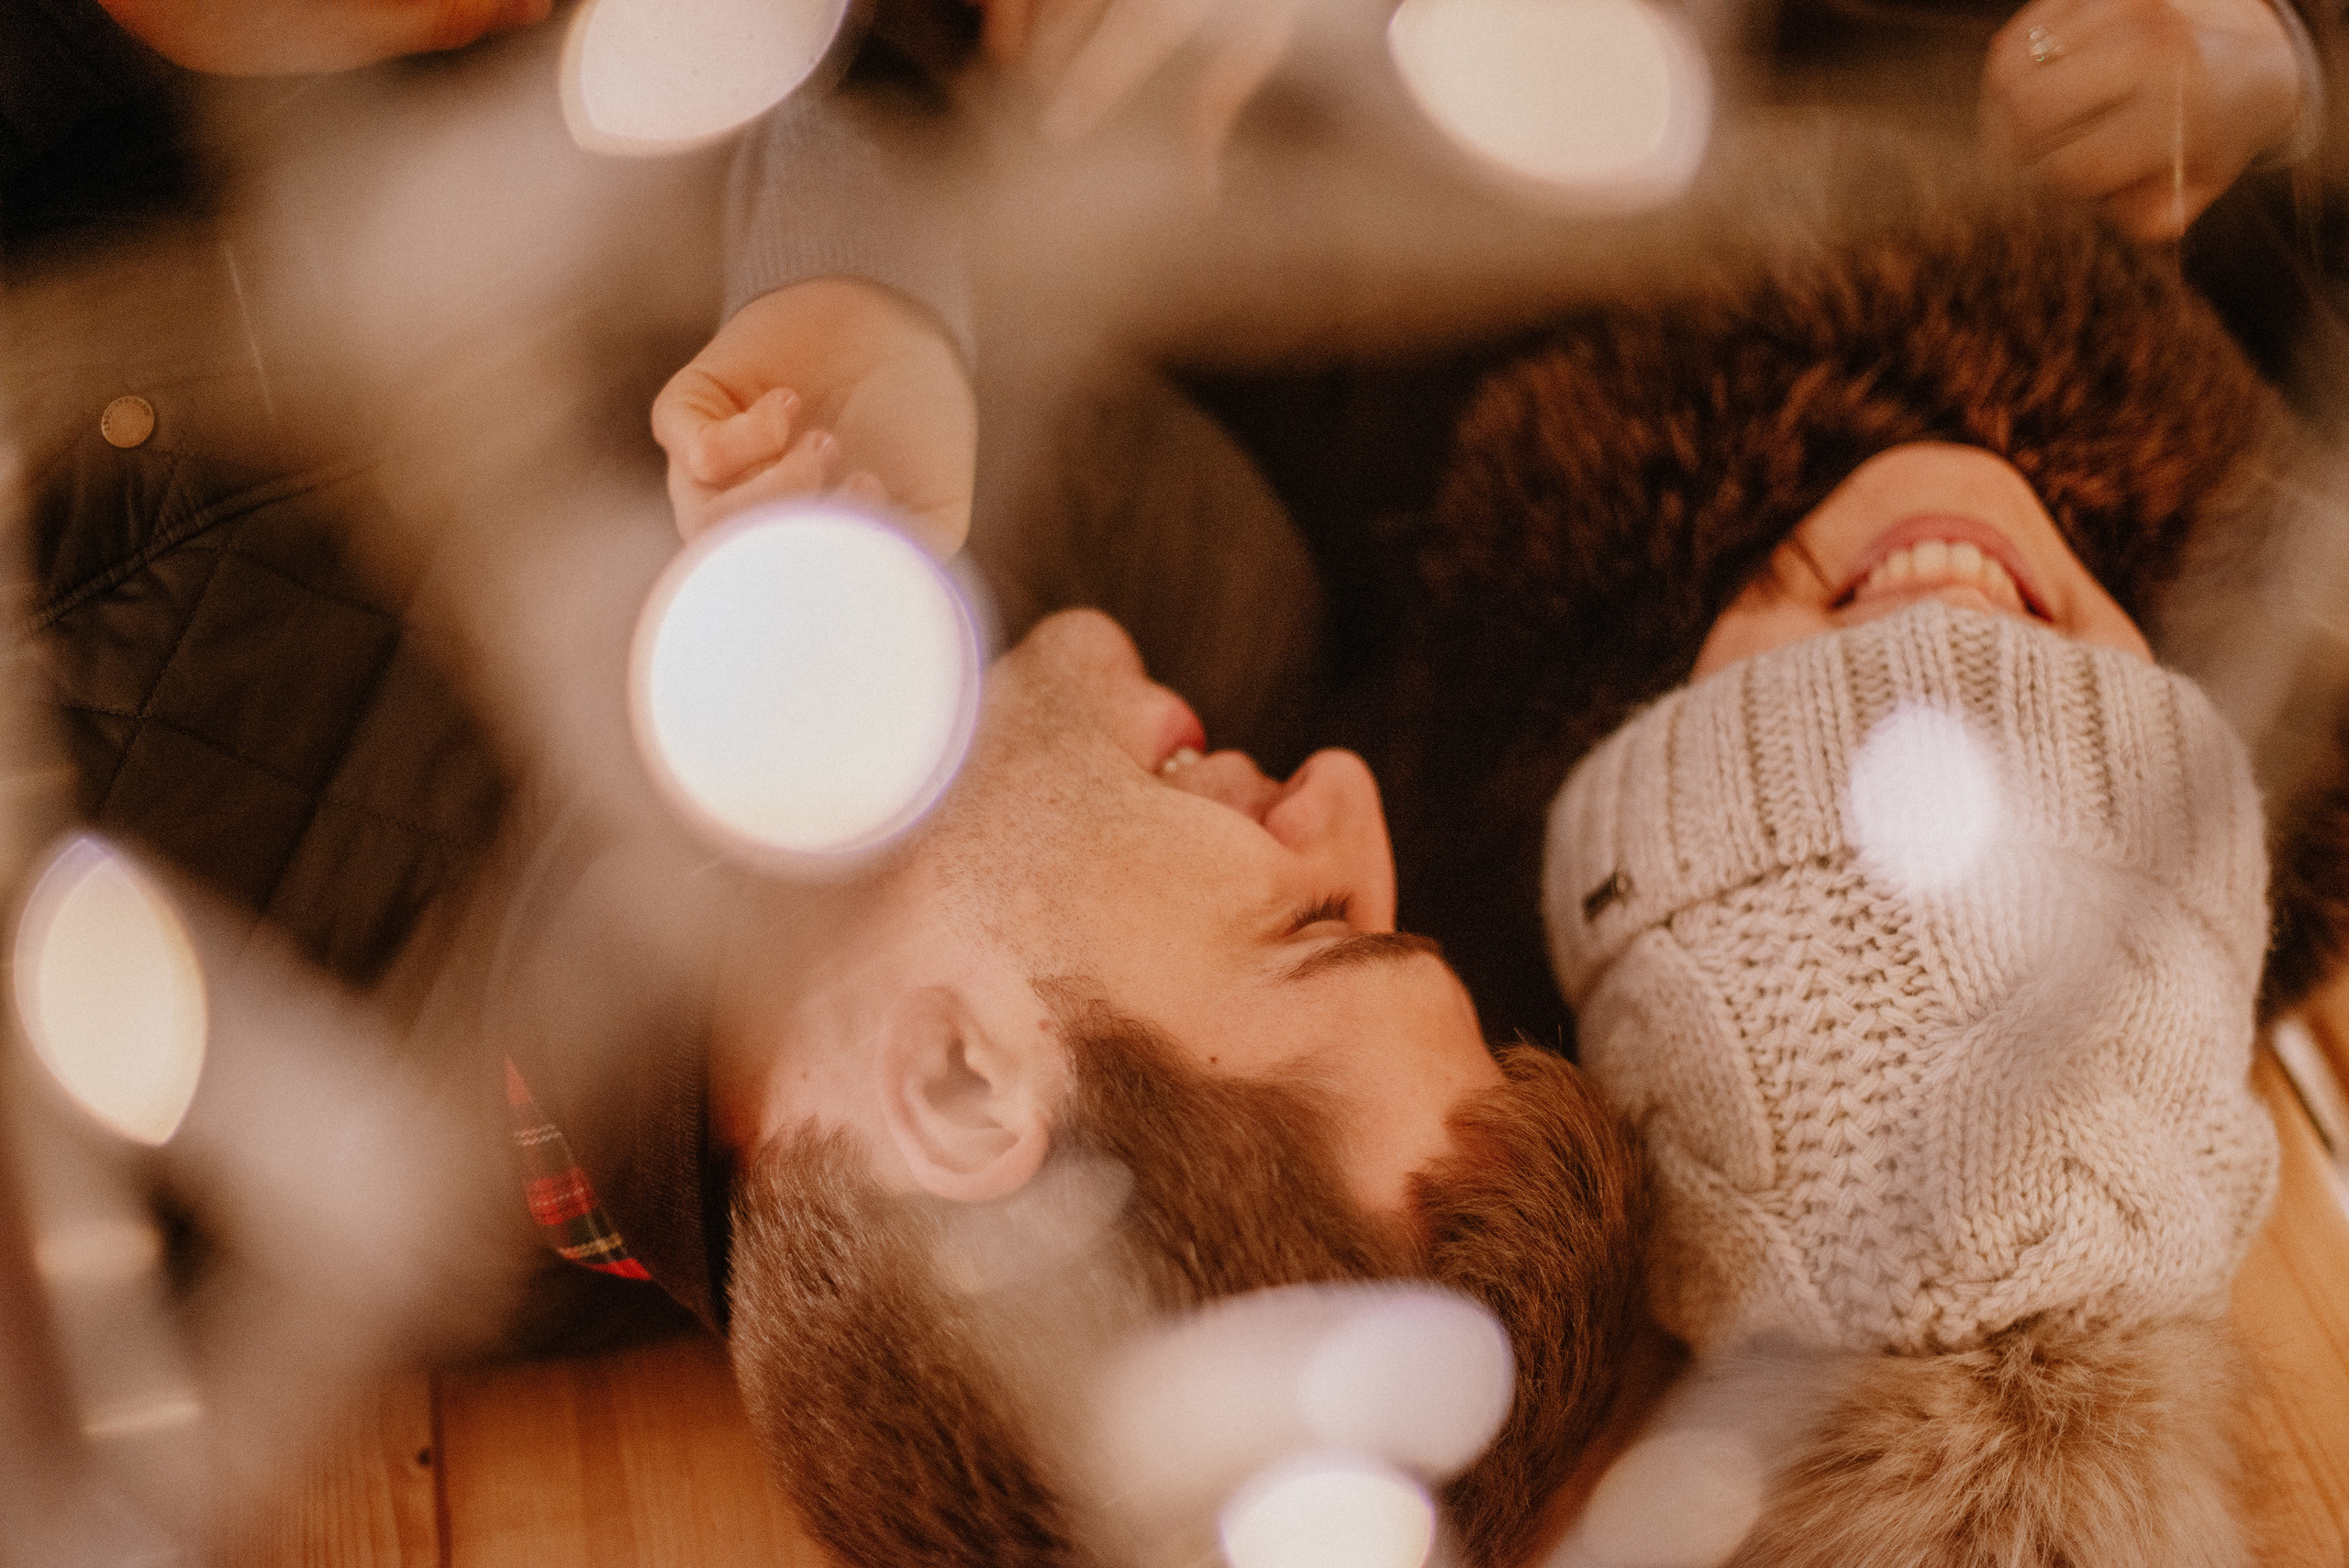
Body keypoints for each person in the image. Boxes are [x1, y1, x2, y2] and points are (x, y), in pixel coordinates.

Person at [1387, 177, 2349, 1563]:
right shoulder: (2280, 414)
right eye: (2056, 716)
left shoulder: (1443, 431)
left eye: (1843, 715)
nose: (1955, 606)